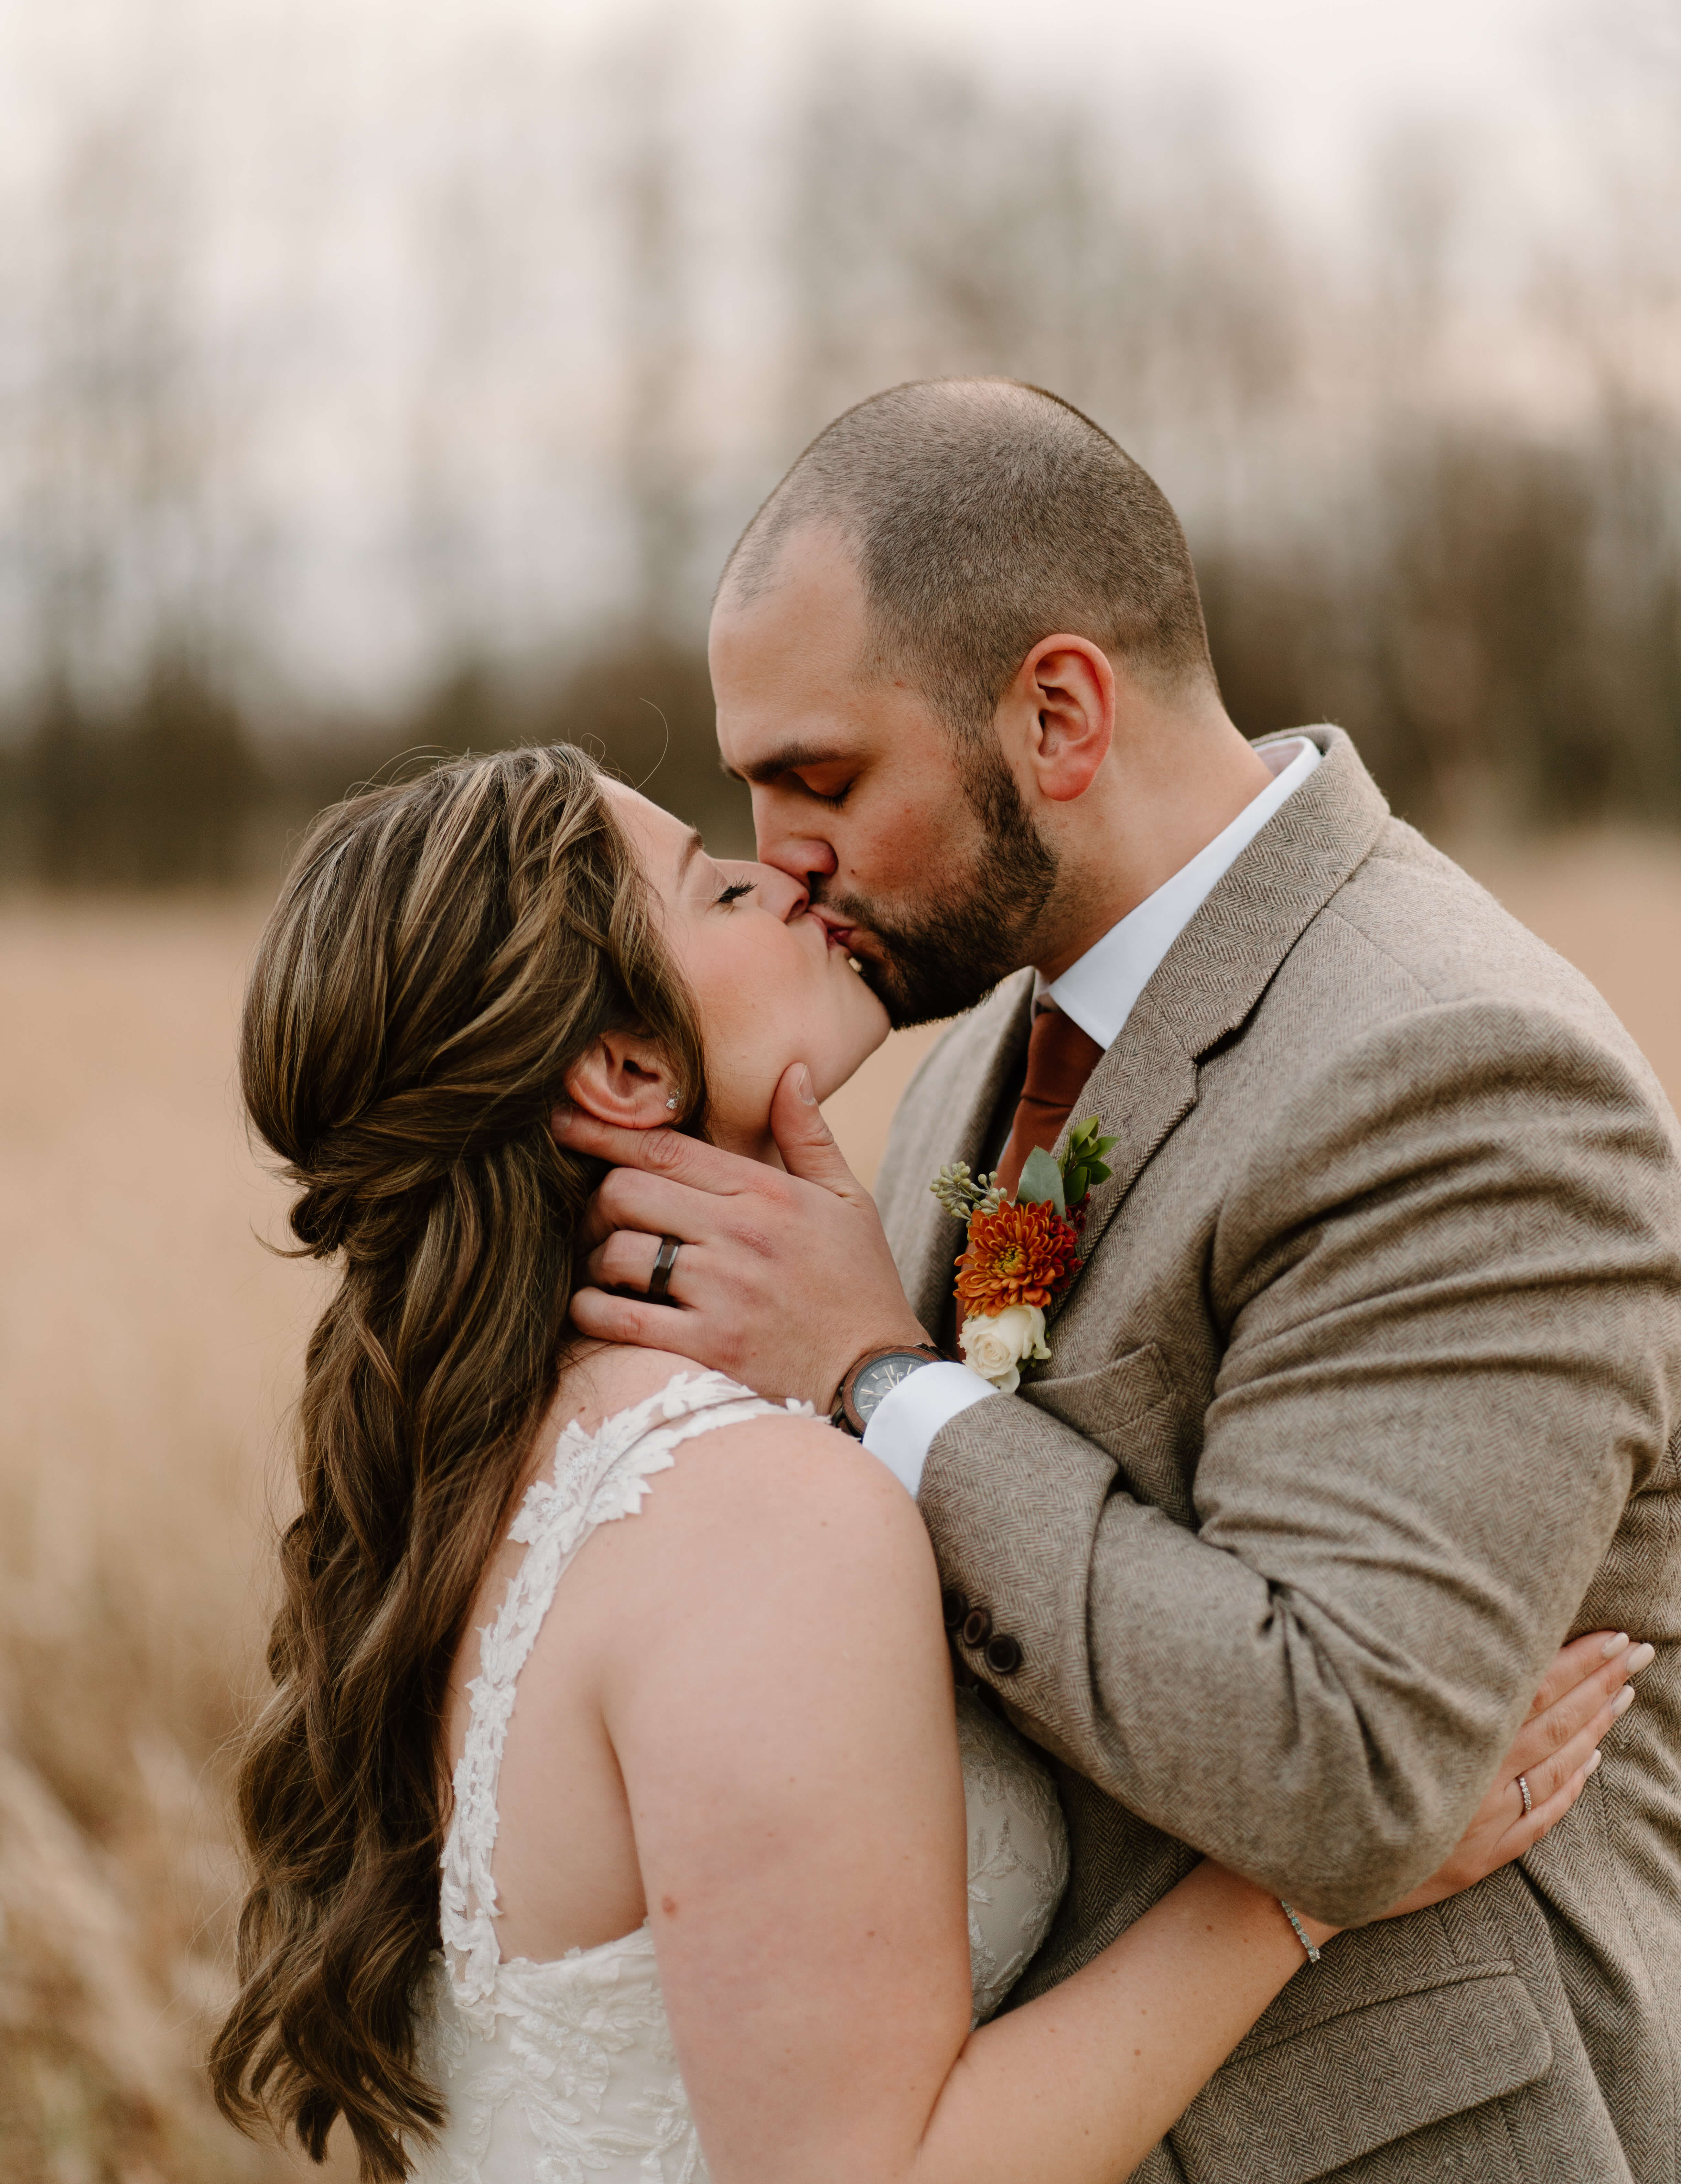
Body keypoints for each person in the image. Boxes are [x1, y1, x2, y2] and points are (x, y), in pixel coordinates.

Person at [209, 744, 1626, 2184]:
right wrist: (1318, 1874)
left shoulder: (495, 1451)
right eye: (716, 886)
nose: (784, 878)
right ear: (625, 1067)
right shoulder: (750, 1509)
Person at [560, 379, 1681, 2183]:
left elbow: (1356, 1765)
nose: (782, 858)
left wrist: (877, 1375)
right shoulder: (967, 1053)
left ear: (1059, 714)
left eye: (822, 779)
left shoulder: (1461, 1069)